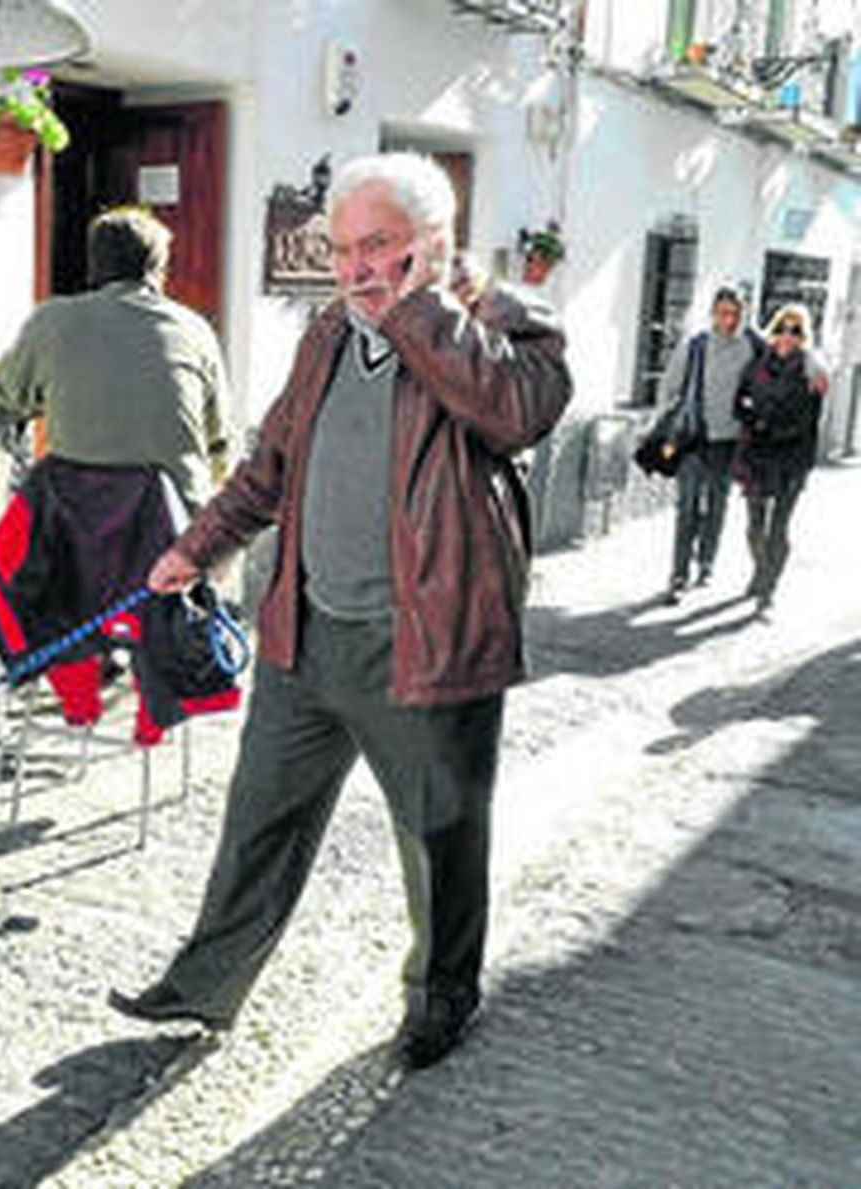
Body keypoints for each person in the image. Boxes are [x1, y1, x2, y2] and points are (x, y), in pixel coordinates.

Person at [107, 153, 572, 1069]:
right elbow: (269, 465)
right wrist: (193, 548)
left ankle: (444, 997)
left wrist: (417, 307)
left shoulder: (509, 327)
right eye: (344, 249)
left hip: (426, 647)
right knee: (259, 822)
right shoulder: (325, 334)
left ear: (433, 244)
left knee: (437, 842)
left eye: (380, 247)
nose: (356, 268)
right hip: (307, 634)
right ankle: (206, 984)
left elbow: (516, 412)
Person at [0, 204, 233, 512]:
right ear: (158, 270)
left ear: (94, 266)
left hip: (79, 526)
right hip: (173, 529)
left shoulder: (51, 321)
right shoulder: (194, 330)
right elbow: (220, 441)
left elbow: (6, 395)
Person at [658, 287, 760, 603]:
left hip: (729, 442)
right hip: (693, 439)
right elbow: (669, 387)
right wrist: (667, 427)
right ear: (713, 313)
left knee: (717, 504)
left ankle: (706, 563)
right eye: (722, 312)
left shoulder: (752, 346)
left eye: (734, 313)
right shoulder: (696, 345)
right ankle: (678, 572)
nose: (728, 320)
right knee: (687, 506)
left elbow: (785, 359)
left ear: (743, 314)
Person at [734, 302, 826, 614]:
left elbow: (809, 419)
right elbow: (739, 401)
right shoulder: (757, 364)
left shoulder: (812, 369)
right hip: (756, 455)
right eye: (783, 329)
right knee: (754, 527)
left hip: (791, 458)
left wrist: (771, 428)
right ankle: (761, 571)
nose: (787, 336)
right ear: (774, 331)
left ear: (803, 336)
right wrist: (750, 418)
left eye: (795, 330)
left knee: (778, 528)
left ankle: (767, 590)